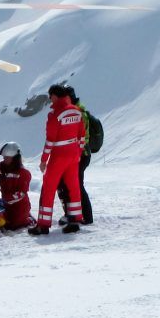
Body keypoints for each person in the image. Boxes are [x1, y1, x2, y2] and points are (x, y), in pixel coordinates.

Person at [29, 84, 86, 235]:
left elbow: (50, 141)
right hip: (73, 154)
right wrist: (78, 152)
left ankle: (43, 224)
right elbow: (82, 135)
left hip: (59, 155)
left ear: (55, 96)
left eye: (50, 95)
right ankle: (74, 219)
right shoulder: (77, 111)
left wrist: (43, 160)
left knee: (48, 188)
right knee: (73, 187)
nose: (49, 99)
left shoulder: (55, 115)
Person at [57, 85, 100, 225]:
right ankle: (72, 214)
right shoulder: (74, 110)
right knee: (67, 184)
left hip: (80, 154)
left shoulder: (77, 112)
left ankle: (85, 217)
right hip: (78, 153)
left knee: (75, 184)